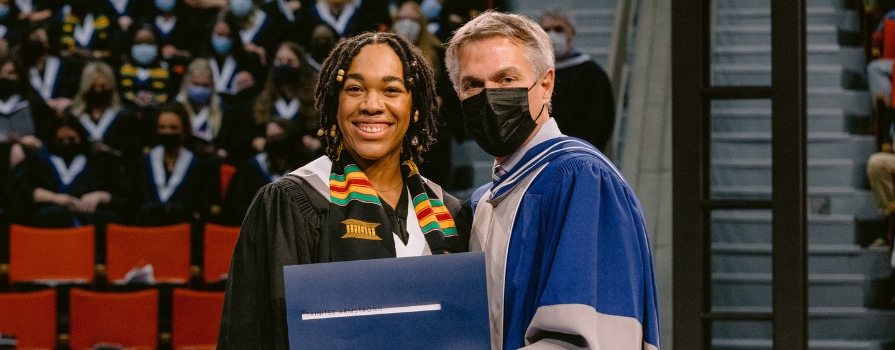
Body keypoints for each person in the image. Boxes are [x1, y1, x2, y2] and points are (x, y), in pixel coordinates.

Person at [218, 32, 469, 348]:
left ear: (415, 106)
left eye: (391, 90)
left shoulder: (449, 212)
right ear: (334, 104)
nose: (372, 105)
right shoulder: (291, 203)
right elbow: (253, 336)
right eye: (354, 89)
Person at [446, 11, 661, 350]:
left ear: (545, 85)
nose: (489, 97)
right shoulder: (482, 202)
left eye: (506, 79)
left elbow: (586, 340)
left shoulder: (580, 179)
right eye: (473, 85)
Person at [5, 119, 128, 227]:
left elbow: (124, 194)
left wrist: (101, 196)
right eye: (60, 140)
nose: (66, 143)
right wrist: (54, 198)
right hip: (49, 222)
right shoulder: (38, 161)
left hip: (90, 220)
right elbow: (19, 190)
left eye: (71, 139)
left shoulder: (100, 162)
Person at [540, 7, 615, 152]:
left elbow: (599, 123)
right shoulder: (534, 75)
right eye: (546, 30)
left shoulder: (592, 74)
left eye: (559, 29)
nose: (552, 35)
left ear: (572, 33)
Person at [250, 41, 320, 156]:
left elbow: (322, 135)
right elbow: (254, 133)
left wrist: (317, 142)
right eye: (279, 61)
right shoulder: (264, 100)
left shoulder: (315, 101)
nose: (284, 65)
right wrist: (257, 140)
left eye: (290, 61)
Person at [67, 61, 143, 160]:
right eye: (93, 87)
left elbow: (133, 153)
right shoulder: (72, 117)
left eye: (103, 87)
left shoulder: (125, 117)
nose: (98, 91)